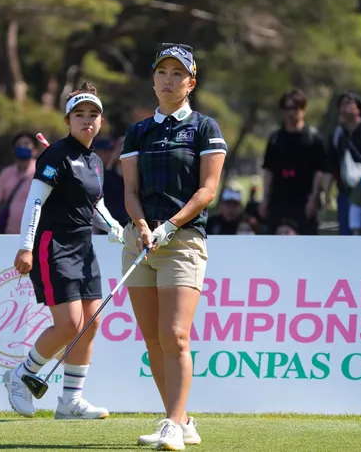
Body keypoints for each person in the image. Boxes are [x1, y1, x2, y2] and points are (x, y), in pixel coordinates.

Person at [119, 43, 227, 451]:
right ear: (153, 80)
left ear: (191, 83)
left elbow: (207, 190)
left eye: (177, 73)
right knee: (153, 340)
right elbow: (130, 191)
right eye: (162, 72)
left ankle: (170, 425)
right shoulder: (138, 131)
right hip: (140, 242)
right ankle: (181, 420)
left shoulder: (204, 128)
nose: (168, 79)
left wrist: (169, 225)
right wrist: (141, 225)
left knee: (176, 335)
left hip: (182, 242)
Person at [3, 82, 124, 421]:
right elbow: (35, 201)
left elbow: (95, 204)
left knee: (90, 323)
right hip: (53, 245)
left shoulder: (95, 161)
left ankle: (70, 400)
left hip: (84, 247)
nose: (87, 120)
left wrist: (115, 227)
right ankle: (21, 375)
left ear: (101, 121)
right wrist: (25, 247)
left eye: (93, 114)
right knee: (70, 324)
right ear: (68, 120)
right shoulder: (56, 154)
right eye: (79, 114)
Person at [259, 89, 327, 235]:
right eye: (287, 108)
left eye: (295, 108)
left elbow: (319, 172)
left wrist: (314, 198)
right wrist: (265, 198)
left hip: (303, 200)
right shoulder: (275, 138)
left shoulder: (313, 137)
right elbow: (268, 170)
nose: (291, 113)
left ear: (303, 109)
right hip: (278, 199)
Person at [325, 91, 361, 235]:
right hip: (346, 193)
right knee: (346, 233)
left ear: (358, 108)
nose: (345, 107)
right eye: (342, 104)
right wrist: (327, 194)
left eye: (349, 102)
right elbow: (331, 167)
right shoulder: (337, 135)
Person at [0, 132, 40, 234]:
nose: (22, 147)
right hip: (9, 233)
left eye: (26, 144)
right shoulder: (6, 173)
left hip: (35, 234)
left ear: (35, 151)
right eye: (19, 144)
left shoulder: (41, 172)